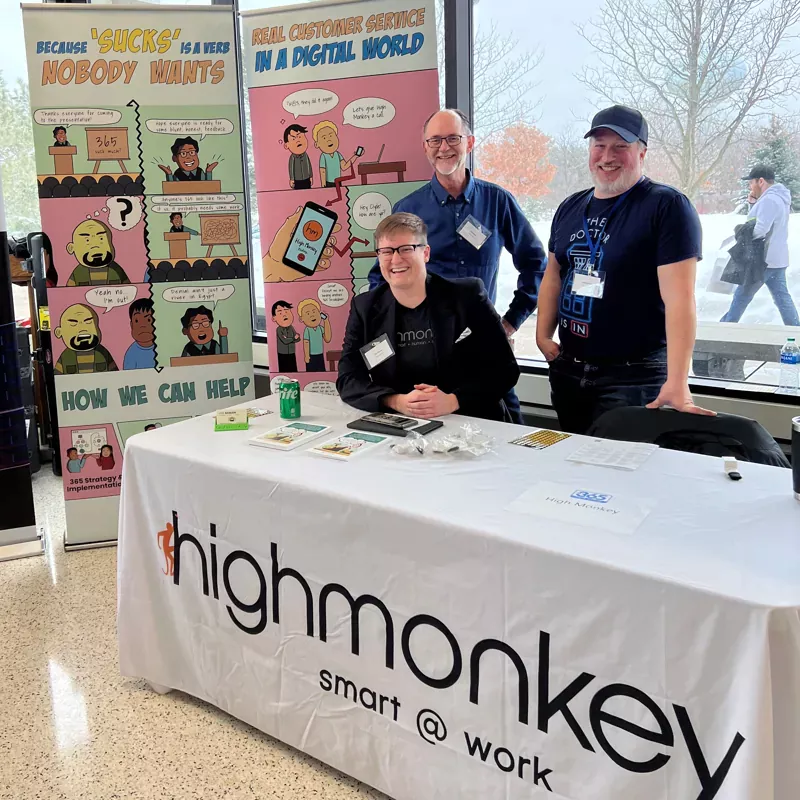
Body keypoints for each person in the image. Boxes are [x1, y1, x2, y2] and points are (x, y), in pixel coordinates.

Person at [536, 104, 713, 434]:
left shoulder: (666, 206)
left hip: (634, 376)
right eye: (599, 146)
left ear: (642, 152)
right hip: (570, 371)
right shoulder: (571, 206)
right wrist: (542, 334)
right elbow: (553, 274)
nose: (607, 156)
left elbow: (680, 300)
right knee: (574, 469)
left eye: (621, 146)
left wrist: (678, 381)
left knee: (623, 476)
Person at [367, 108, 546, 423]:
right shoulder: (408, 209)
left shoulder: (497, 202)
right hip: (426, 351)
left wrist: (511, 321)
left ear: (470, 143)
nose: (444, 147)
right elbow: (381, 279)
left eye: (453, 138)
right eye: (435, 140)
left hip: (485, 346)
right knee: (431, 435)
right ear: (425, 147)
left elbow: (536, 264)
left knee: (510, 431)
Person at [338, 212, 519, 421]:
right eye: (386, 251)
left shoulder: (467, 296)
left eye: (406, 249)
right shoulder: (365, 308)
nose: (396, 259)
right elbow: (348, 378)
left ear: (425, 253)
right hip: (403, 424)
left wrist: (453, 400)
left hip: (471, 420)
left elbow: (505, 368)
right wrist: (395, 400)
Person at [720, 165, 800, 326]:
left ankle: (725, 329)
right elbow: (762, 220)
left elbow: (760, 229)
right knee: (782, 298)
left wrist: (742, 234)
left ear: (761, 181)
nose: (750, 186)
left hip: (763, 259)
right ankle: (795, 331)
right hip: (777, 258)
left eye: (751, 182)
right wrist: (753, 204)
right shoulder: (779, 198)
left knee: (742, 296)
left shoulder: (769, 200)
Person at [54, 303, 118, 374]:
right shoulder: (65, 357)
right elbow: (57, 378)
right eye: (73, 323)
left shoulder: (103, 353)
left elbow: (115, 376)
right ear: (59, 332)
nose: (83, 329)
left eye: (88, 322)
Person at [65, 219, 130, 286]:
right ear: (71, 248)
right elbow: (68, 292)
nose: (95, 246)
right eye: (87, 240)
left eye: (101, 239)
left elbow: (129, 288)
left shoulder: (116, 270)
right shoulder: (78, 273)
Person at [298, 299, 331, 372]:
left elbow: (327, 338)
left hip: (320, 354)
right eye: (308, 313)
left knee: (321, 371)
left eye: (314, 311)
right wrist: (306, 355)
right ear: (302, 319)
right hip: (311, 356)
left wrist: (326, 321)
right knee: (311, 372)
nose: (312, 315)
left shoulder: (320, 328)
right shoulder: (307, 330)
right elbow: (306, 342)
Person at [123, 298, 156, 370]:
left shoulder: (162, 348)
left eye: (148, 320)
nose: (142, 325)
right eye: (137, 320)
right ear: (131, 325)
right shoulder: (131, 353)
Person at [272, 300, 301, 372]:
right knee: (284, 370)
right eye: (280, 313)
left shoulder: (291, 327)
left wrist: (292, 338)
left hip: (291, 352)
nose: (284, 315)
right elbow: (284, 341)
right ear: (274, 318)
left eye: (286, 311)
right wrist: (293, 338)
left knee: (293, 369)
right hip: (282, 353)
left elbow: (298, 339)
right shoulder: (279, 329)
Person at [284, 124, 313, 190]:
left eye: (300, 137)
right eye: (294, 139)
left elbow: (309, 166)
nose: (298, 140)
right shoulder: (292, 158)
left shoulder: (305, 155)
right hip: (297, 180)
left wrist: (311, 176)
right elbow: (291, 169)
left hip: (306, 178)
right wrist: (292, 179)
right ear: (286, 145)